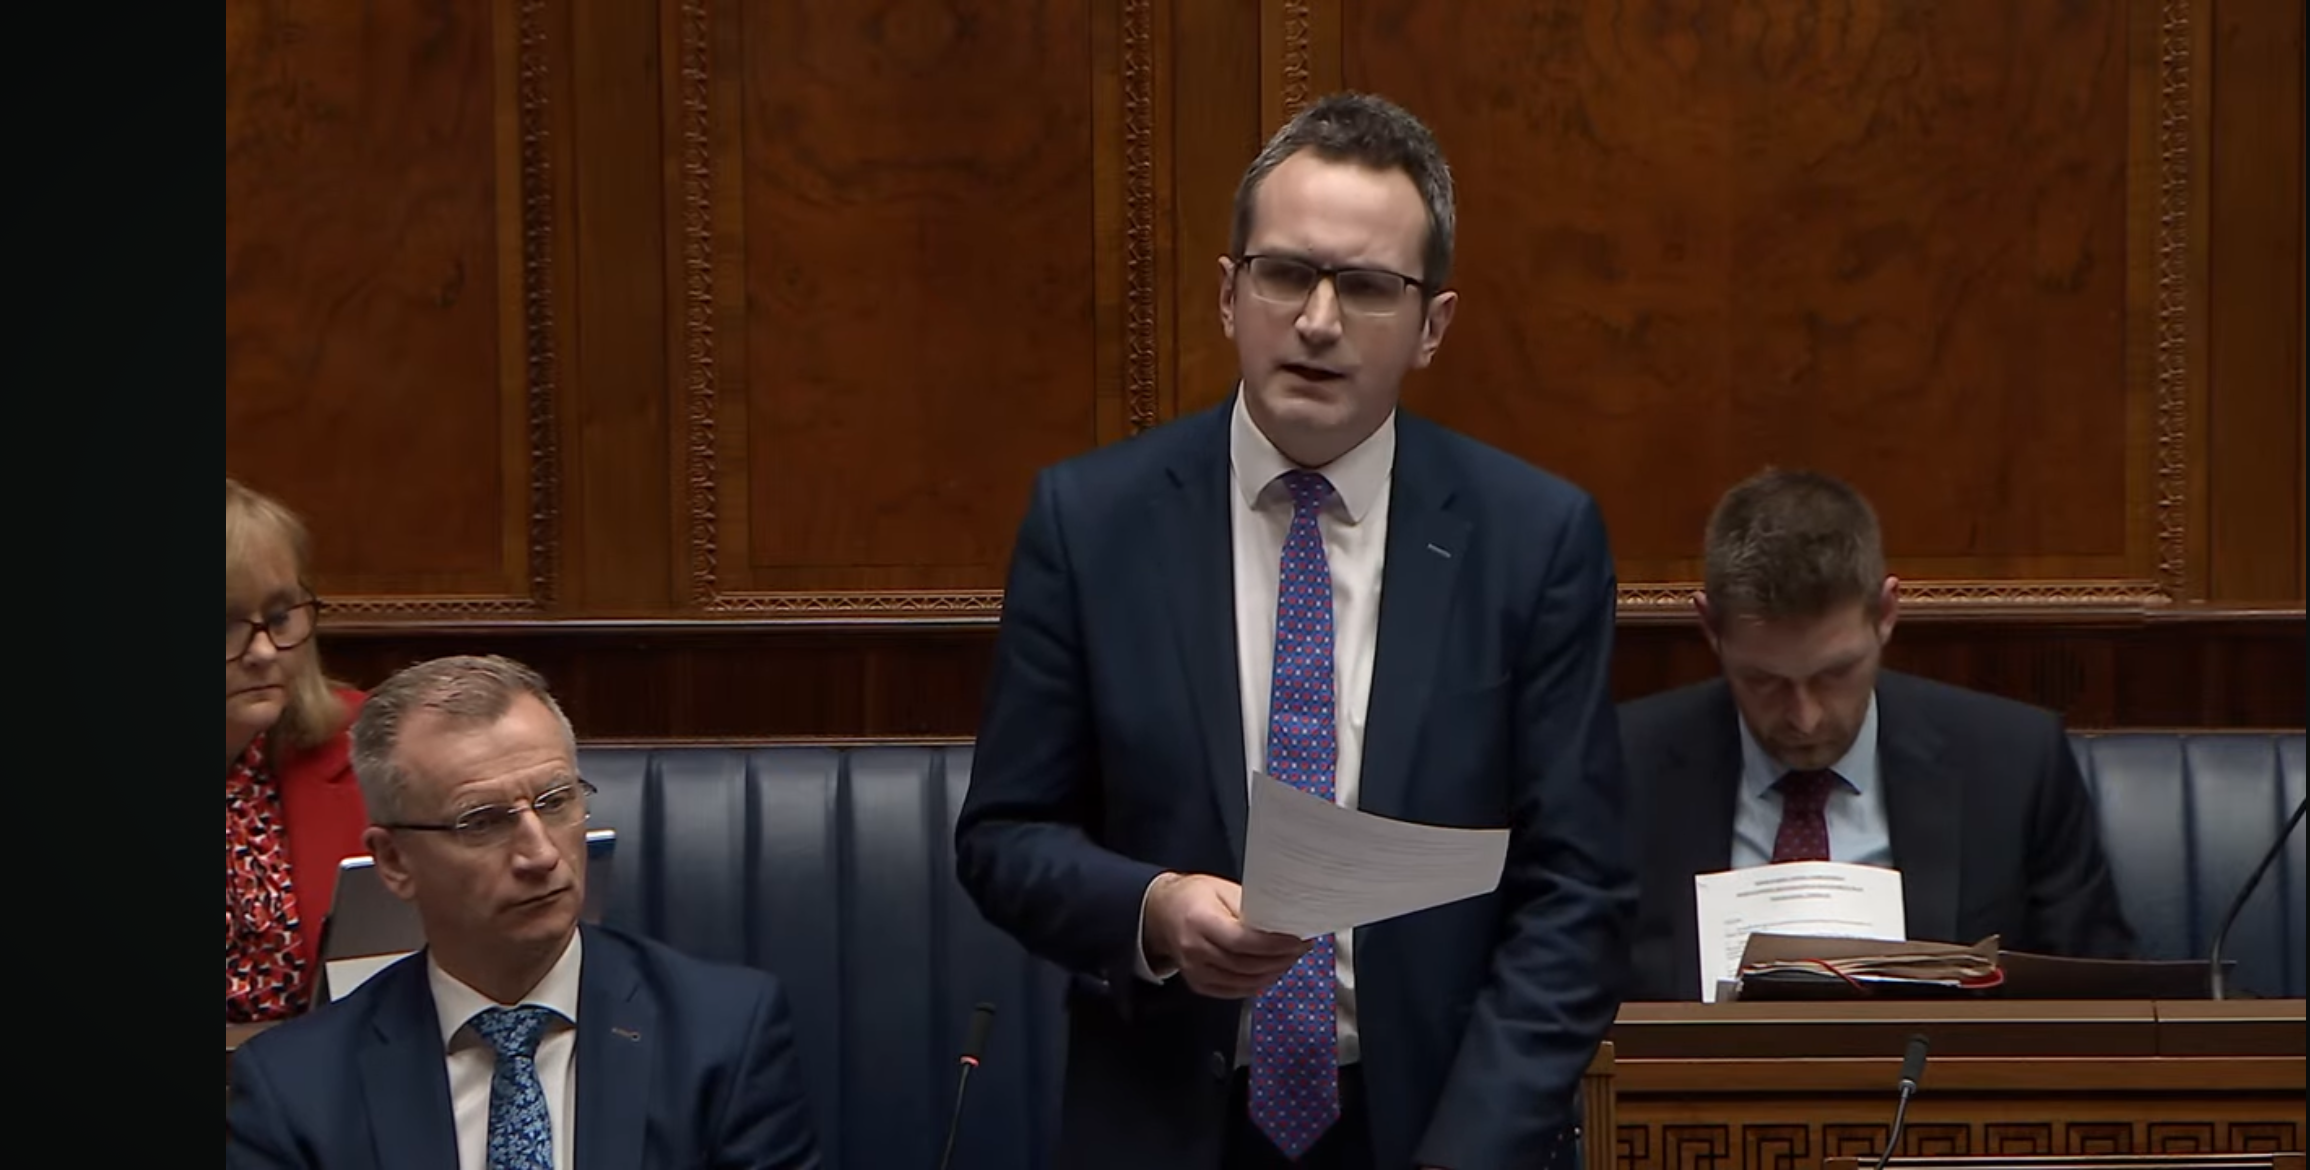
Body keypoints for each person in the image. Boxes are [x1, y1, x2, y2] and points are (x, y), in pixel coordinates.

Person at [953, 91, 1634, 1170]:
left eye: (1366, 287)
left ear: (1433, 326)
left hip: (1435, 1124)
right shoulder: (1092, 524)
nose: (1318, 320)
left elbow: (1578, 888)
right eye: (1285, 275)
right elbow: (1004, 838)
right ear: (1230, 297)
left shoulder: (1531, 539)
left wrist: (1471, 1151)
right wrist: (1155, 907)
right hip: (1170, 1119)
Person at [225, 655, 821, 1169]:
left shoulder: (723, 1036)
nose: (540, 853)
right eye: (481, 821)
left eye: (556, 802)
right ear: (395, 861)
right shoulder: (295, 1089)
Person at [1619, 468, 2135, 1001]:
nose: (1805, 719)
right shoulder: (1621, 767)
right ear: (1710, 628)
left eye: (1834, 674)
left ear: (1886, 614)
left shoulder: (2015, 764)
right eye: (1764, 681)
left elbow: (2098, 1003)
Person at [228, 476, 370, 1023]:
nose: (264, 651)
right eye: (226, 623)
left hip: (324, 1082)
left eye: (281, 615)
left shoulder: (370, 747)